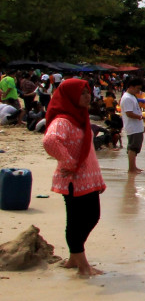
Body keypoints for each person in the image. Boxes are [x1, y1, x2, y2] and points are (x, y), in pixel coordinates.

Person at [42, 78, 105, 276]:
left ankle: (73, 258)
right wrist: (68, 162)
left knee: (92, 217)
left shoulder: (80, 116)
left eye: (89, 93)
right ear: (70, 96)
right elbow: (50, 140)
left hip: (88, 178)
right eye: (83, 93)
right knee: (78, 221)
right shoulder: (63, 120)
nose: (88, 97)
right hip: (73, 180)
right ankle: (82, 265)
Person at [120, 77, 145, 173]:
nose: (138, 91)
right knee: (132, 147)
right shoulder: (127, 98)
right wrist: (140, 117)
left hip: (136, 126)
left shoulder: (132, 97)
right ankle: (131, 168)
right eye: (137, 88)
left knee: (136, 147)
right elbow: (129, 113)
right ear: (131, 87)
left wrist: (141, 125)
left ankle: (133, 166)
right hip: (132, 127)